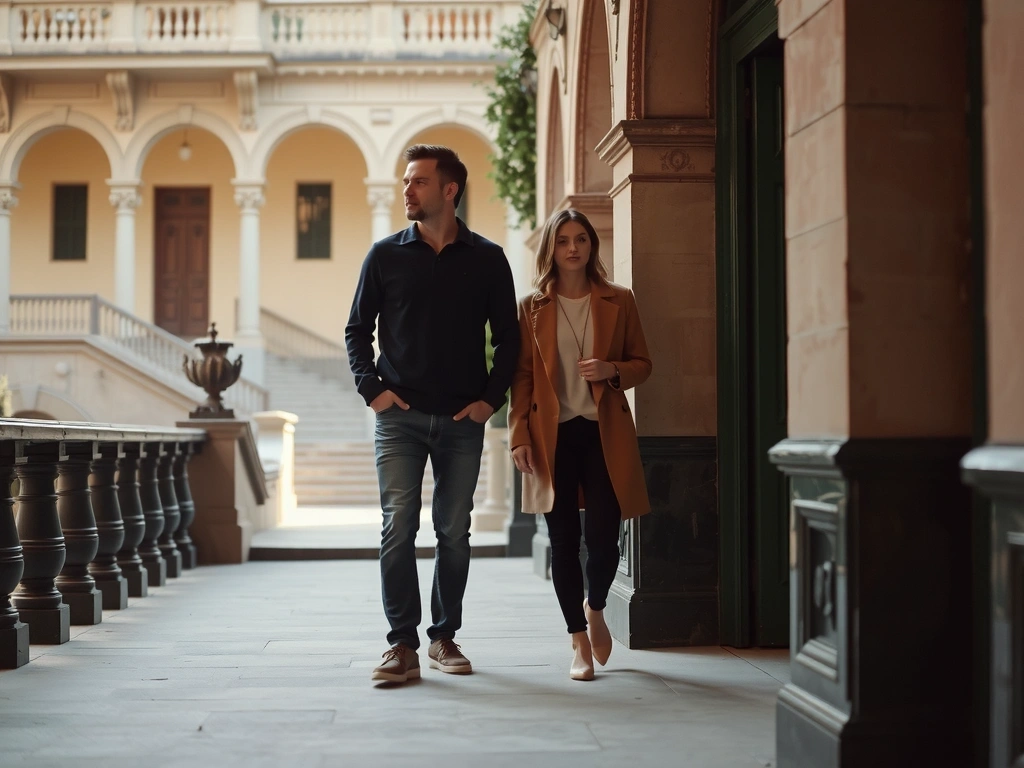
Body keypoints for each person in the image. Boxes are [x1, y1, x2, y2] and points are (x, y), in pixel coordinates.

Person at [345, 145, 520, 684]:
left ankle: (444, 637)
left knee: (454, 530)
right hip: (398, 418)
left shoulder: (488, 259)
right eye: (405, 182)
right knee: (398, 527)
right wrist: (371, 388)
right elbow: (357, 329)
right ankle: (401, 645)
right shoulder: (384, 255)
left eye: (418, 181)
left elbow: (511, 339)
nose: (407, 191)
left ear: (450, 190)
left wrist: (490, 401)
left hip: (462, 423)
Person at [508, 208, 652, 681]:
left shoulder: (619, 299)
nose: (573, 248)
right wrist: (517, 437)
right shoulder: (532, 306)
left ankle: (595, 609)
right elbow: (523, 378)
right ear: (551, 247)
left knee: (605, 536)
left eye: (582, 239)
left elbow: (642, 364)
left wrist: (613, 371)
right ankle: (577, 641)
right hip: (552, 436)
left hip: (602, 431)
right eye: (564, 240)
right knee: (563, 540)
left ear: (592, 246)